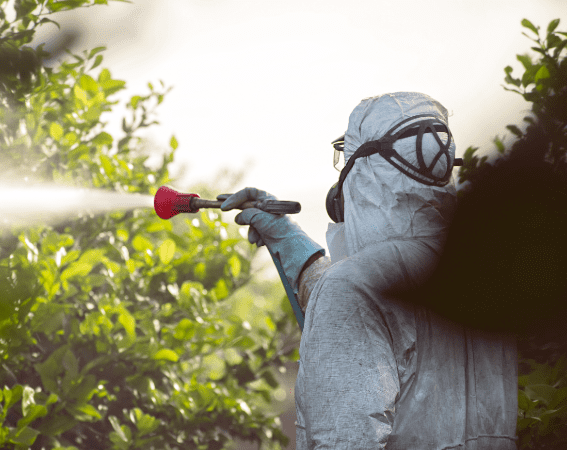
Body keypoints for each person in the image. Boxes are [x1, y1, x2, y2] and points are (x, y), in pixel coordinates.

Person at [221, 92, 518, 449]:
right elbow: (381, 330)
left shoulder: (353, 291)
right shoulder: (481, 280)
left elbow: (343, 439)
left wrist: (330, 281)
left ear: (365, 172)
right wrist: (287, 238)